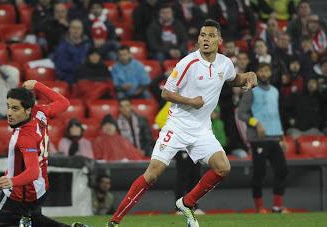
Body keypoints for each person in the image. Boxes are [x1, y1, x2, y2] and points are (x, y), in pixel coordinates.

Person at [106, 19, 258, 227]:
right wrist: (190, 101)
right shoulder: (188, 63)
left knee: (223, 168)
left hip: (202, 130)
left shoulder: (225, 63)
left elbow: (233, 79)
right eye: (203, 35)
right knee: (153, 173)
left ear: (219, 41)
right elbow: (166, 92)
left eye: (211, 36)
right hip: (177, 126)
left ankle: (187, 203)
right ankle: (114, 222)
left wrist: (250, 75)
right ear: (198, 39)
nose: (206, 39)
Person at [0, 80, 89, 227]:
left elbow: (32, 172)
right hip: (40, 189)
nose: (9, 113)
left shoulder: (25, 137)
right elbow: (64, 102)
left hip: (21, 193)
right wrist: (37, 85)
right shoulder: (40, 112)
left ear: (28, 110)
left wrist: (12, 181)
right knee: (36, 220)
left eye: (15, 109)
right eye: (8, 107)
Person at [238, 63, 289, 213]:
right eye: (261, 71)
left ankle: (277, 206)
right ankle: (259, 207)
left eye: (267, 70)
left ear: (270, 72)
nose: (264, 73)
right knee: (259, 173)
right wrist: (256, 123)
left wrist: (282, 137)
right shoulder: (251, 91)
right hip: (258, 139)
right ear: (258, 73)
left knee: (282, 170)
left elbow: (276, 115)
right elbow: (241, 113)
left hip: (274, 137)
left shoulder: (275, 91)